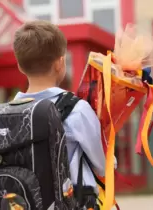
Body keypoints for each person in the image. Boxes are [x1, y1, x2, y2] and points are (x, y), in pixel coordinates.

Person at [12, 20, 106, 208]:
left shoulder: (9, 112)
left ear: (20, 66)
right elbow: (102, 165)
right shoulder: (77, 110)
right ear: (60, 63)